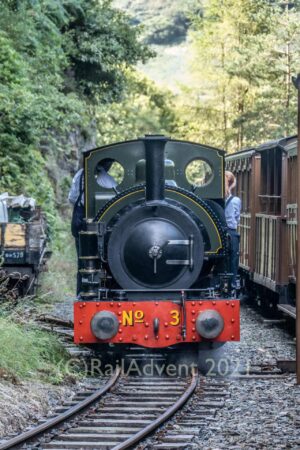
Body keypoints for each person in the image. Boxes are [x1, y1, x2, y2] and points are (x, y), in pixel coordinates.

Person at [68, 159, 117, 296]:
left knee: (83, 260)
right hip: (103, 222)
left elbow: (72, 198)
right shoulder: (108, 180)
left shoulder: (80, 175)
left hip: (81, 220)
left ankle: (83, 291)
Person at [225, 171, 241, 290]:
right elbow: (237, 218)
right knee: (233, 260)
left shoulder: (216, 199)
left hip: (217, 233)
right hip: (231, 232)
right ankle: (232, 283)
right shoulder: (235, 201)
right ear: (232, 184)